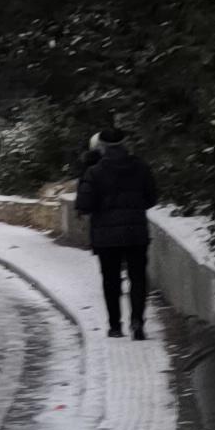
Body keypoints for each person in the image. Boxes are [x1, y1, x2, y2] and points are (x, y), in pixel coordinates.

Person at [73, 125, 158, 336]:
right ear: (124, 144)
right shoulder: (140, 167)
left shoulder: (94, 171)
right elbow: (152, 197)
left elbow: (84, 204)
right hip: (135, 231)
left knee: (110, 278)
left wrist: (85, 171)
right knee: (137, 276)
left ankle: (115, 325)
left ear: (100, 146)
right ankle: (137, 322)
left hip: (105, 235)